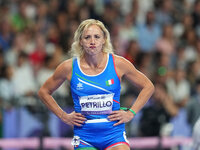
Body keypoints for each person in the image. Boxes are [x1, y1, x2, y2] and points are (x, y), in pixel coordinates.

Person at [38, 19, 155, 150]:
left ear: (104, 39)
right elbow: (43, 92)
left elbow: (148, 86)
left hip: (114, 135)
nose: (92, 42)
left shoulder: (118, 64)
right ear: (80, 41)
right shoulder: (68, 67)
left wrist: (131, 112)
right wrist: (63, 116)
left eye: (97, 37)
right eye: (87, 37)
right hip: (85, 137)